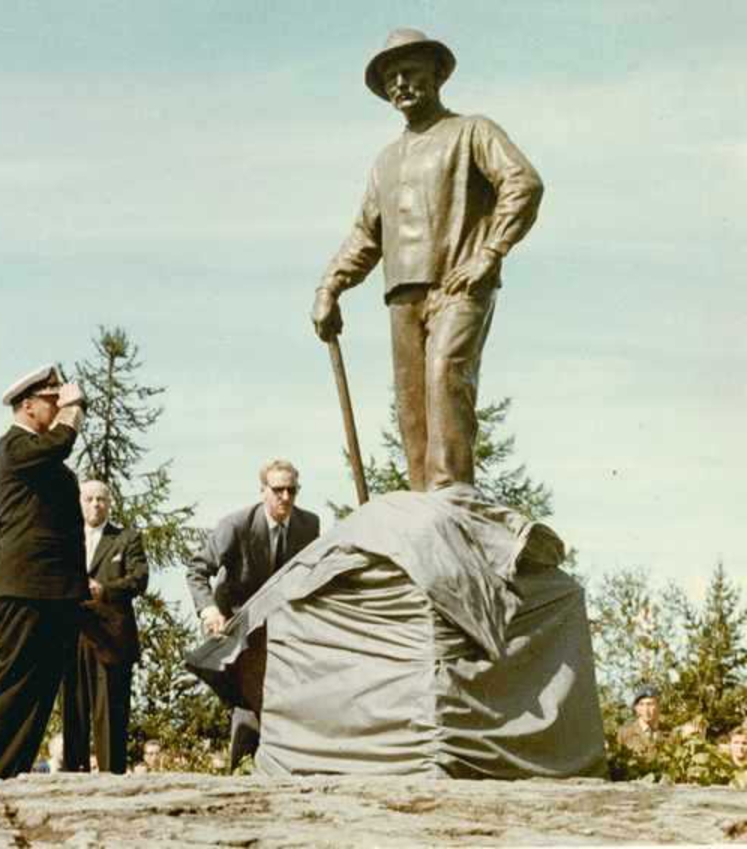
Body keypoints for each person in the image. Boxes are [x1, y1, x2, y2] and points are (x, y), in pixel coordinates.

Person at [311, 28, 544, 492]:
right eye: (390, 77)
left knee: (444, 380)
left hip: (457, 288)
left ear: (437, 74)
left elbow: (523, 183)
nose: (399, 83)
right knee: (412, 408)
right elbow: (365, 234)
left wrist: (489, 253)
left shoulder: (471, 131)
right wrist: (329, 287)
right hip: (402, 298)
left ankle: (451, 502)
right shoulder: (386, 161)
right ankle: (424, 511)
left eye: (409, 71)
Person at [0, 364, 87, 779]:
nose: (60, 408)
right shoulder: (14, 446)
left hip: (55, 589)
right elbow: (58, 445)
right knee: (16, 679)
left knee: (41, 686)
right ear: (27, 404)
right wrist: (73, 415)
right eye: (53, 401)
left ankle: (11, 769)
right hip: (25, 586)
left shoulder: (46, 458)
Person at [186, 459, 320, 768]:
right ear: (262, 491)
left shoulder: (309, 525)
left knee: (285, 699)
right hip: (235, 622)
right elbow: (196, 569)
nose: (285, 498)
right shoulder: (236, 525)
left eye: (292, 490)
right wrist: (209, 612)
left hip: (281, 626)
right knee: (247, 701)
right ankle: (241, 770)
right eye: (278, 490)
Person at [62, 480, 149, 775]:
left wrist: (106, 590)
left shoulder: (126, 538)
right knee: (73, 710)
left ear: (109, 504)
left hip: (112, 639)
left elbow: (140, 578)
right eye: (89, 499)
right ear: (79, 502)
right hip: (73, 635)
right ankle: (73, 777)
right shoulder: (66, 537)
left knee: (110, 712)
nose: (95, 504)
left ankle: (112, 780)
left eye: (101, 499)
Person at [616, 685, 666, 756]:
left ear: (658, 706)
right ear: (636, 708)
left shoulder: (667, 732)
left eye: (650, 704)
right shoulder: (625, 733)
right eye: (641, 704)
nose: (646, 709)